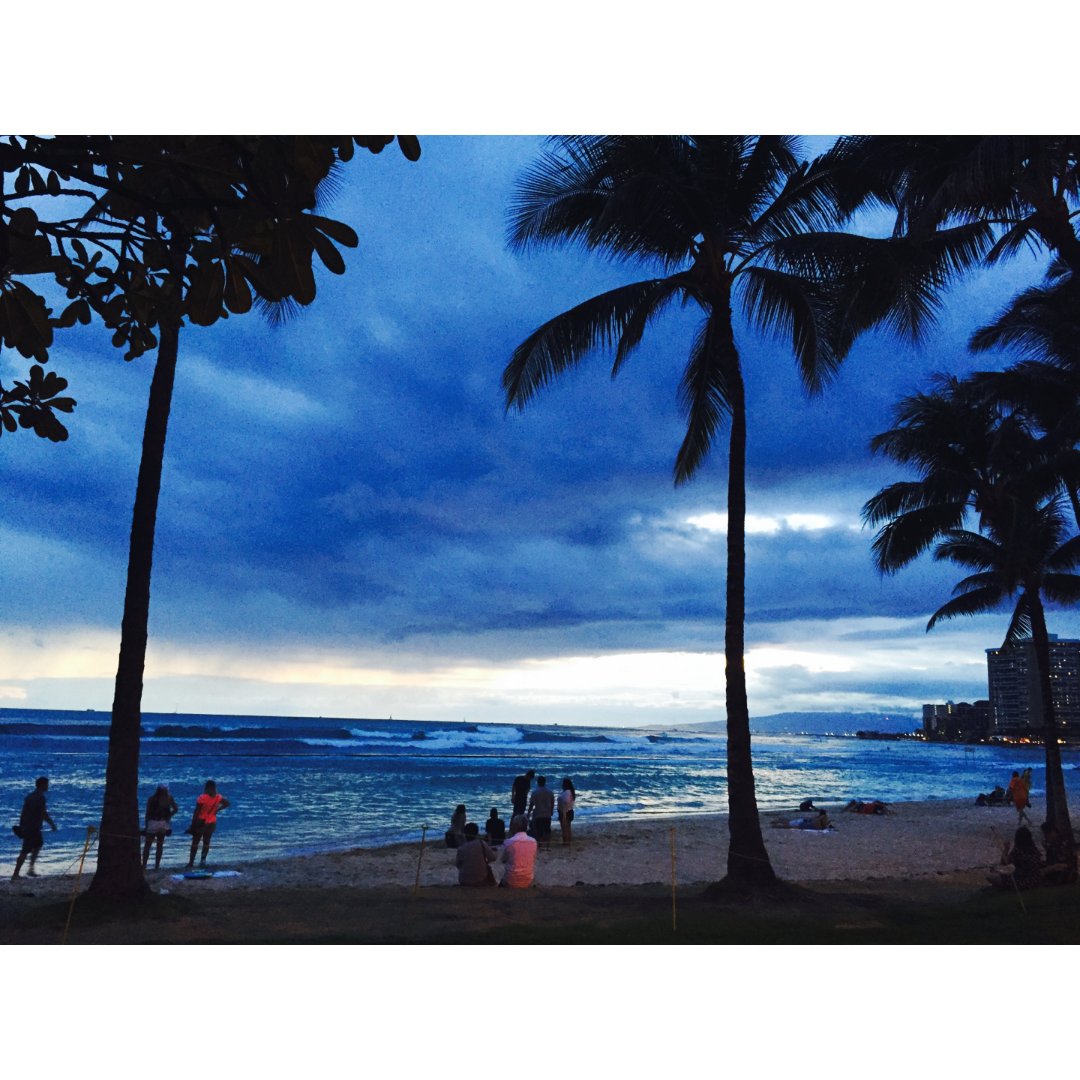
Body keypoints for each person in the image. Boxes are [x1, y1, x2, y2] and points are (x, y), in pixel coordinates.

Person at [12, 777, 57, 879]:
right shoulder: (40, 798)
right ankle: (15, 874)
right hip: (32, 828)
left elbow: (24, 813)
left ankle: (30, 869)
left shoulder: (30, 797)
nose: (47, 786)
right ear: (42, 785)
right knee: (25, 850)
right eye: (46, 784)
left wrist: (22, 826)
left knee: (38, 845)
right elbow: (43, 814)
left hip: (31, 827)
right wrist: (52, 824)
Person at [186, 780, 229, 869]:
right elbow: (227, 803)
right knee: (206, 842)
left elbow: (196, 812)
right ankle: (203, 861)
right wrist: (217, 810)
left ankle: (191, 862)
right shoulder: (218, 797)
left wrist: (192, 824)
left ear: (207, 788)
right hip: (212, 822)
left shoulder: (202, 797)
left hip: (201, 821)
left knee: (195, 842)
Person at [988, 826, 1042, 890]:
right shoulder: (1034, 850)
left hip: (1021, 882)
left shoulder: (1018, 851)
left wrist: (1006, 849)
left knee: (990, 875)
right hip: (1035, 880)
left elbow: (1004, 864)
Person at [142, 784, 179, 870]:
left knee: (148, 845)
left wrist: (146, 826)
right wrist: (169, 816)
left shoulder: (152, 799)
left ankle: (144, 865)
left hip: (153, 822)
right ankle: (157, 866)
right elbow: (176, 809)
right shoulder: (169, 798)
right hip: (163, 823)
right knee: (160, 845)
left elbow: (147, 814)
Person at [499, 814, 537, 888]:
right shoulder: (533, 842)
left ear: (515, 826)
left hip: (511, 880)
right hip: (528, 879)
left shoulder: (509, 842)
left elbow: (503, 860)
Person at [455, 822, 496, 886]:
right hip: (480, 879)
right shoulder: (482, 843)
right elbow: (493, 858)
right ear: (476, 833)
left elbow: (458, 865)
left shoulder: (461, 848)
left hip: (464, 880)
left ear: (465, 834)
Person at [528, 775, 555, 842]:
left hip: (539, 813)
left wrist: (529, 812)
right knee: (547, 829)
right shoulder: (549, 792)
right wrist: (551, 810)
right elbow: (552, 802)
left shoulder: (535, 792)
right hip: (547, 813)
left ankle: (540, 843)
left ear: (538, 782)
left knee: (539, 830)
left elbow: (531, 804)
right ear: (545, 782)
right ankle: (547, 843)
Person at [557, 777, 576, 844]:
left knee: (564, 828)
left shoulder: (566, 793)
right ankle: (568, 841)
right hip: (569, 810)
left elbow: (565, 804)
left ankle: (566, 841)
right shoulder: (571, 792)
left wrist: (564, 815)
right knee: (568, 827)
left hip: (565, 811)